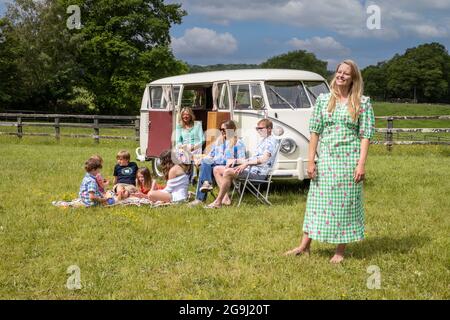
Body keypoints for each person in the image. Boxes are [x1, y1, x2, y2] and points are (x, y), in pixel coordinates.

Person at [285, 60, 375, 264]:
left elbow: (365, 135)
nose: (341, 75)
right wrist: (311, 160)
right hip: (325, 160)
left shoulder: (362, 102)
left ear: (354, 78)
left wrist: (361, 164)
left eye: (346, 73)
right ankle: (304, 246)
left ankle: (340, 250)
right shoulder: (324, 100)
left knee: (345, 205)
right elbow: (315, 131)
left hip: (349, 161)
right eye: (339, 72)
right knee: (316, 203)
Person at [205, 118, 278, 209]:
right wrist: (236, 161)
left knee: (227, 172)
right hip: (251, 169)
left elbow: (264, 159)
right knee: (217, 169)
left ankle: (218, 202)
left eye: (261, 128)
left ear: (269, 129)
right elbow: (252, 159)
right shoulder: (263, 140)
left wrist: (247, 164)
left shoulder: (271, 141)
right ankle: (225, 198)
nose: (258, 130)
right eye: (257, 128)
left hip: (258, 173)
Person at [188, 120, 246, 207]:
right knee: (204, 162)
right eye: (221, 129)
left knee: (205, 165)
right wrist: (200, 159)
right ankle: (206, 185)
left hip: (225, 166)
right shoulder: (218, 141)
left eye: (224, 130)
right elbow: (210, 155)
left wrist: (234, 160)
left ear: (232, 129)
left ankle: (200, 198)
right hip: (214, 164)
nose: (222, 132)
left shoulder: (238, 142)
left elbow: (242, 159)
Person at [175, 107, 205, 184]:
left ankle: (192, 175)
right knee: (181, 151)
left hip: (196, 146)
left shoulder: (197, 124)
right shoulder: (179, 126)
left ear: (191, 115)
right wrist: (182, 146)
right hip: (184, 146)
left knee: (192, 152)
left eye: (187, 114)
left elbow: (202, 139)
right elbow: (178, 140)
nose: (185, 116)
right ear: (181, 116)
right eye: (184, 114)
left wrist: (194, 146)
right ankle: (187, 175)